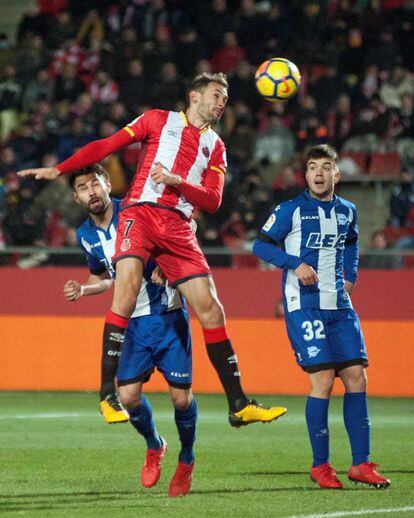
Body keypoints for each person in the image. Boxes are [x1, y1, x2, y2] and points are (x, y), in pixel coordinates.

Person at [18, 72, 286, 427]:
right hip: (140, 213)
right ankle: (106, 395)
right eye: (217, 95)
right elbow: (108, 145)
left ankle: (238, 403)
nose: (222, 103)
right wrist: (59, 169)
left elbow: (214, 200)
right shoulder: (157, 119)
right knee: (125, 293)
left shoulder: (216, 146)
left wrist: (178, 182)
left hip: (177, 226)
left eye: (225, 97)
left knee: (212, 310)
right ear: (194, 95)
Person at [253, 144, 390, 489]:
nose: (318, 173)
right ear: (306, 175)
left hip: (340, 306)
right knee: (324, 381)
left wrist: (351, 276)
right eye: (312, 167)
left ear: (336, 174)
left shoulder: (348, 210)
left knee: (357, 377)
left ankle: (361, 464)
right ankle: (320, 465)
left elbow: (352, 245)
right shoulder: (291, 210)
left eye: (325, 167)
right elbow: (261, 245)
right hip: (305, 305)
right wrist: (293, 264)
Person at [64, 165, 196, 497]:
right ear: (76, 197)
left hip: (167, 315)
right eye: (83, 188)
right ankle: (155, 445)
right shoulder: (86, 235)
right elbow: (105, 276)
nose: (91, 191)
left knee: (181, 399)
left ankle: (187, 457)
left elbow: (185, 227)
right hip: (130, 323)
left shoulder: (138, 208)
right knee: (127, 396)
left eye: (95, 183)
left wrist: (168, 269)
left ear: (108, 183)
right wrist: (85, 288)